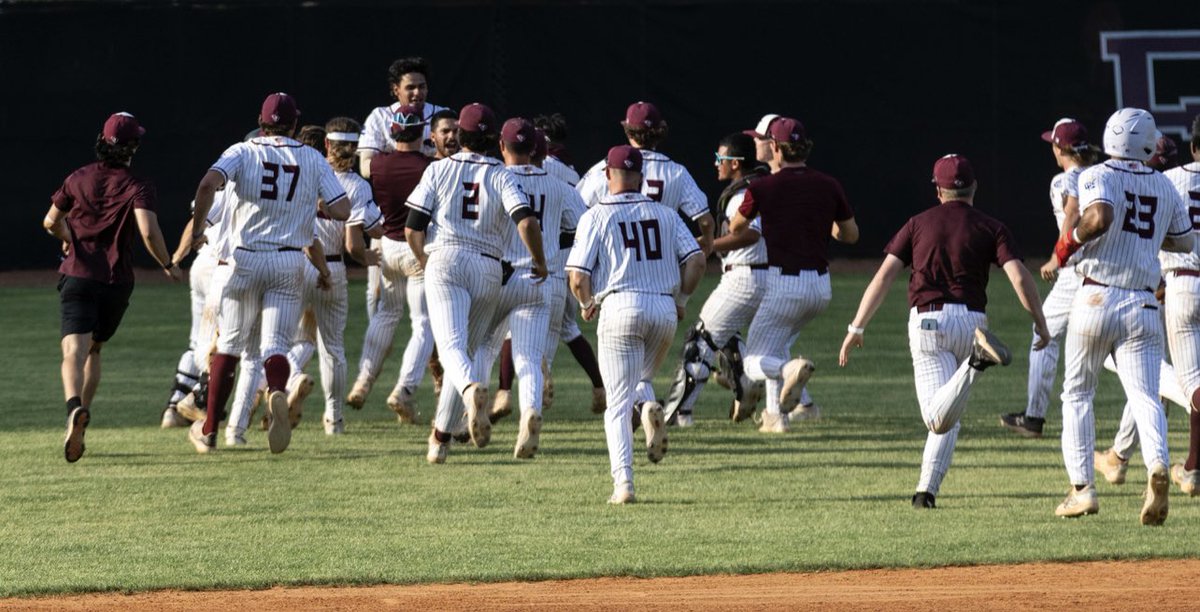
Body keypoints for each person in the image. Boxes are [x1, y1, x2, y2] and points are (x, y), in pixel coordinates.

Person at [839, 154, 1050, 508]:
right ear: (974, 188)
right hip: (972, 324)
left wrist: (857, 326)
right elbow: (1018, 276)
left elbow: (885, 276)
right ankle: (926, 492)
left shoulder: (918, 223)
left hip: (929, 324)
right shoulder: (991, 226)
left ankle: (977, 362)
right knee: (949, 412)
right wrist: (1040, 323)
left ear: (937, 190)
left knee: (936, 418)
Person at [1049, 108, 1192, 524]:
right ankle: (1157, 464)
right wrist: (1148, 233)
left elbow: (1099, 217)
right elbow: (1184, 242)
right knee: (1145, 394)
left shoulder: (1096, 174)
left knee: (1078, 393)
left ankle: (1082, 489)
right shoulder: (1164, 184)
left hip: (1097, 295)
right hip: (1144, 303)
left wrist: (1069, 242)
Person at [187, 92, 350, 455]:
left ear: (260, 123)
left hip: (244, 259)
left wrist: (198, 230)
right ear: (294, 124)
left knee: (230, 345)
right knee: (275, 345)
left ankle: (210, 430)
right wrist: (310, 201)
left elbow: (207, 185)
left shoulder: (243, 151)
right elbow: (342, 210)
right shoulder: (312, 157)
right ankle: (276, 389)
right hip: (289, 261)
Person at [405, 103, 548, 464]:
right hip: (488, 266)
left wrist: (423, 260)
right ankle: (440, 440)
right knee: (464, 354)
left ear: (460, 134)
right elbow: (526, 222)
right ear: (494, 140)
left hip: (446, 257)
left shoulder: (438, 169)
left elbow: (412, 227)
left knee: (452, 351)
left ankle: (471, 392)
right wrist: (540, 261)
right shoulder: (502, 174)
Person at [567, 145, 706, 504]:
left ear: (607, 175)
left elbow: (578, 276)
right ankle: (647, 408)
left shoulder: (596, 215)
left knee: (616, 403)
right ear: (641, 178)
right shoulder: (665, 213)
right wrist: (681, 300)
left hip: (620, 306)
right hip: (662, 309)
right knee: (640, 380)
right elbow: (696, 261)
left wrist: (586, 304)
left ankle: (624, 484)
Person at [44, 112, 180, 462]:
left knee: (73, 351)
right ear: (134, 147)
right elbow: (148, 230)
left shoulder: (78, 177)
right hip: (116, 281)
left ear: (102, 141)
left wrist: (69, 237)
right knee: (94, 350)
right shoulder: (138, 184)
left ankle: (73, 408)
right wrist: (167, 264)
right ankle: (83, 416)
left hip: (78, 274)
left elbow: (50, 221)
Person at [728, 117, 858, 433]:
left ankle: (789, 370)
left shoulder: (762, 187)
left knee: (752, 361)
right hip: (820, 286)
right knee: (775, 345)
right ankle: (776, 418)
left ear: (774, 147)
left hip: (784, 284)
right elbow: (850, 235)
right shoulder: (829, 184)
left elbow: (736, 227)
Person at [473, 118, 586, 457]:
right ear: (539, 150)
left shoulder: (494, 178)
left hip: (499, 275)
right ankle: (530, 411)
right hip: (541, 278)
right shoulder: (559, 185)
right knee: (530, 358)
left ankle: (472, 405)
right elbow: (581, 228)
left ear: (502, 146)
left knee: (481, 347)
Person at [999, 119, 1099, 437]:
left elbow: (1072, 211)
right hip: (1107, 270)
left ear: (1060, 148)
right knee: (1111, 346)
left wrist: (1058, 255)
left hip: (1075, 270)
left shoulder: (1064, 179)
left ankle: (1034, 417)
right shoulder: (1101, 174)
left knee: (1043, 335)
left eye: (1053, 145)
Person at [663, 132, 768, 427]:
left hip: (744, 275)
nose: (716, 163)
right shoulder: (759, 186)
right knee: (726, 336)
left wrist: (708, 245)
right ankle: (744, 382)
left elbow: (751, 234)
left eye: (720, 158)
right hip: (760, 274)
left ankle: (679, 412)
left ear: (735, 163)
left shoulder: (743, 194)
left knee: (700, 341)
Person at [286, 119, 384, 434]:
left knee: (286, 339)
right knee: (333, 349)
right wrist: (368, 257)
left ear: (327, 144)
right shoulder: (358, 186)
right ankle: (334, 419)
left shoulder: (304, 170)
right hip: (333, 268)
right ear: (355, 149)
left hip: (296, 263)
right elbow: (355, 245)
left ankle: (291, 378)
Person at [347, 106, 432, 419]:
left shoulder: (378, 164)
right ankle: (404, 388)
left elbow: (368, 165)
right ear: (422, 132)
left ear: (393, 131)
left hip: (388, 246)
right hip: (418, 247)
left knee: (386, 313)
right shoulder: (429, 167)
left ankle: (363, 380)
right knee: (423, 323)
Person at [576, 102, 715, 255]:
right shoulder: (677, 172)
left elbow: (577, 209)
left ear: (628, 131)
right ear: (659, 131)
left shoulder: (605, 168)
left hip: (615, 258)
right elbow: (706, 221)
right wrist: (708, 242)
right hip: (661, 260)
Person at [1162, 115, 1200, 495]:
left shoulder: (1170, 179)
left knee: (1190, 383)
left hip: (1184, 282)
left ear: (1193, 146)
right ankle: (1192, 468)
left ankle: (1192, 469)